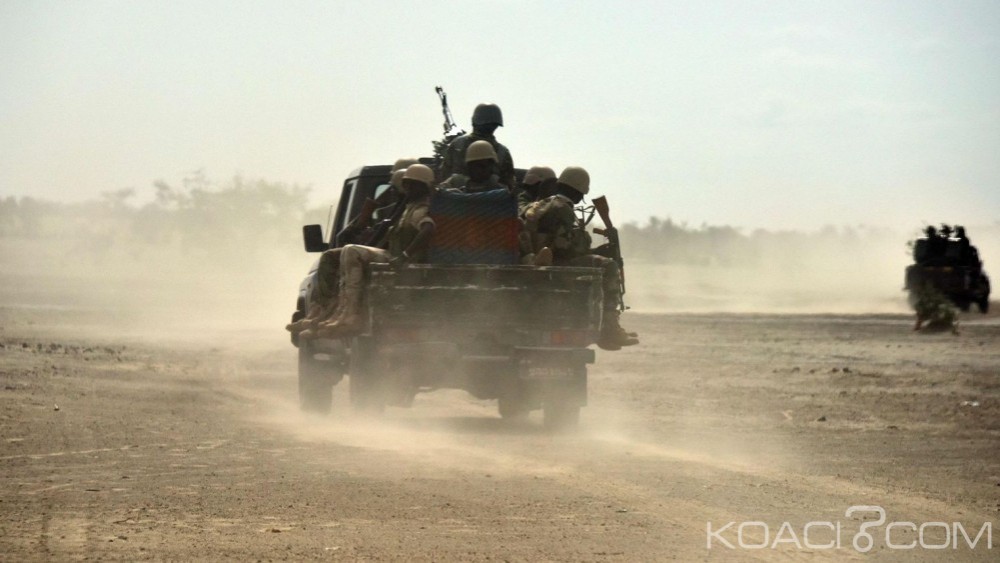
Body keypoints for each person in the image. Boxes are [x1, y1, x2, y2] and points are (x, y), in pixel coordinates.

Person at [302, 163, 437, 339]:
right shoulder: (404, 208)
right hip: (392, 256)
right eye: (406, 184)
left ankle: (350, 314)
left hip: (400, 261)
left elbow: (428, 228)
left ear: (423, 187)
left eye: (412, 184)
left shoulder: (418, 209)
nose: (407, 188)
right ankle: (325, 312)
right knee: (333, 255)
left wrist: (404, 256)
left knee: (351, 251)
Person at [523, 166, 639, 350]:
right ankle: (609, 329)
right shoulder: (562, 209)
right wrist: (598, 250)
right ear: (577, 192)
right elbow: (568, 247)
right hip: (557, 266)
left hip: (537, 262)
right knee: (608, 267)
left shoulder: (540, 204)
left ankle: (606, 327)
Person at [439, 103, 515, 187]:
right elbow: (509, 186)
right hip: (485, 198)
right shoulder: (503, 152)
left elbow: (444, 175)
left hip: (459, 197)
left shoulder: (457, 144)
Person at [439, 140, 509, 193]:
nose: (481, 171)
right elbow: (436, 192)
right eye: (477, 166)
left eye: (485, 166)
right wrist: (449, 193)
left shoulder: (497, 186)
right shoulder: (456, 181)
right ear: (469, 166)